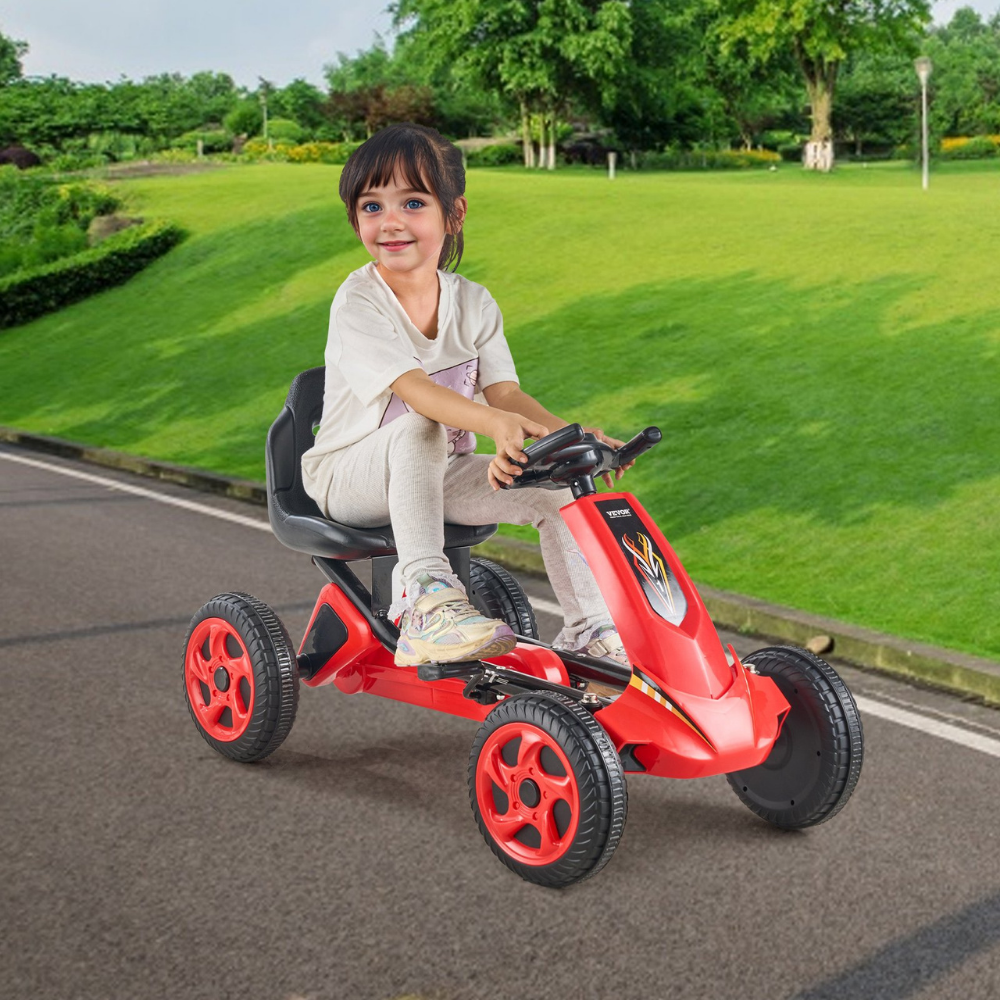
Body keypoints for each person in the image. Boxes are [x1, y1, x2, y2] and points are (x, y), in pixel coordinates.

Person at [301, 122, 635, 677]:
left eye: (412, 203)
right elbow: (418, 393)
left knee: (554, 492)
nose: (390, 222)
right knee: (420, 424)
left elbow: (505, 393)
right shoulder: (358, 300)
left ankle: (589, 632)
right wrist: (495, 423)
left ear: (453, 214)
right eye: (371, 206)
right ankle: (424, 600)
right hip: (348, 476)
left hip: (440, 471)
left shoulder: (474, 303)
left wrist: (570, 436)